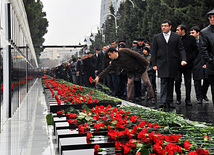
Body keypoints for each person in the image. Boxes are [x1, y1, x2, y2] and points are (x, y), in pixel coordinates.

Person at [151, 19, 187, 108]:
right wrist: (154, 64)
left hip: (173, 62)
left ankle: (170, 101)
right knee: (163, 82)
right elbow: (154, 51)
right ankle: (163, 101)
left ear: (170, 27)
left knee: (171, 82)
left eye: (165, 26)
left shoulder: (176, 37)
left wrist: (183, 59)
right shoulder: (157, 37)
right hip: (161, 63)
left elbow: (181, 49)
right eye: (162, 26)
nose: (163, 28)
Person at [175, 24, 198, 106]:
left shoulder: (191, 38)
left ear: (183, 30)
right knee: (177, 81)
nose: (176, 32)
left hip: (188, 64)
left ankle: (188, 99)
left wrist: (190, 59)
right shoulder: (175, 38)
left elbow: (195, 50)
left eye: (178, 30)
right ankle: (178, 98)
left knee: (188, 82)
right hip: (177, 64)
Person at [190, 26, 210, 104]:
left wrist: (206, 62)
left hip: (205, 62)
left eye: (193, 33)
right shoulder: (190, 42)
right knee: (197, 81)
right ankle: (199, 97)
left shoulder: (204, 40)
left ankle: (203, 94)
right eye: (190, 33)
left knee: (207, 79)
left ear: (198, 33)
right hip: (195, 63)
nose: (191, 34)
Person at [200, 9, 214, 104]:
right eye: (210, 17)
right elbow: (203, 49)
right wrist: (210, 60)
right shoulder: (205, 32)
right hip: (213, 66)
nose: (212, 19)